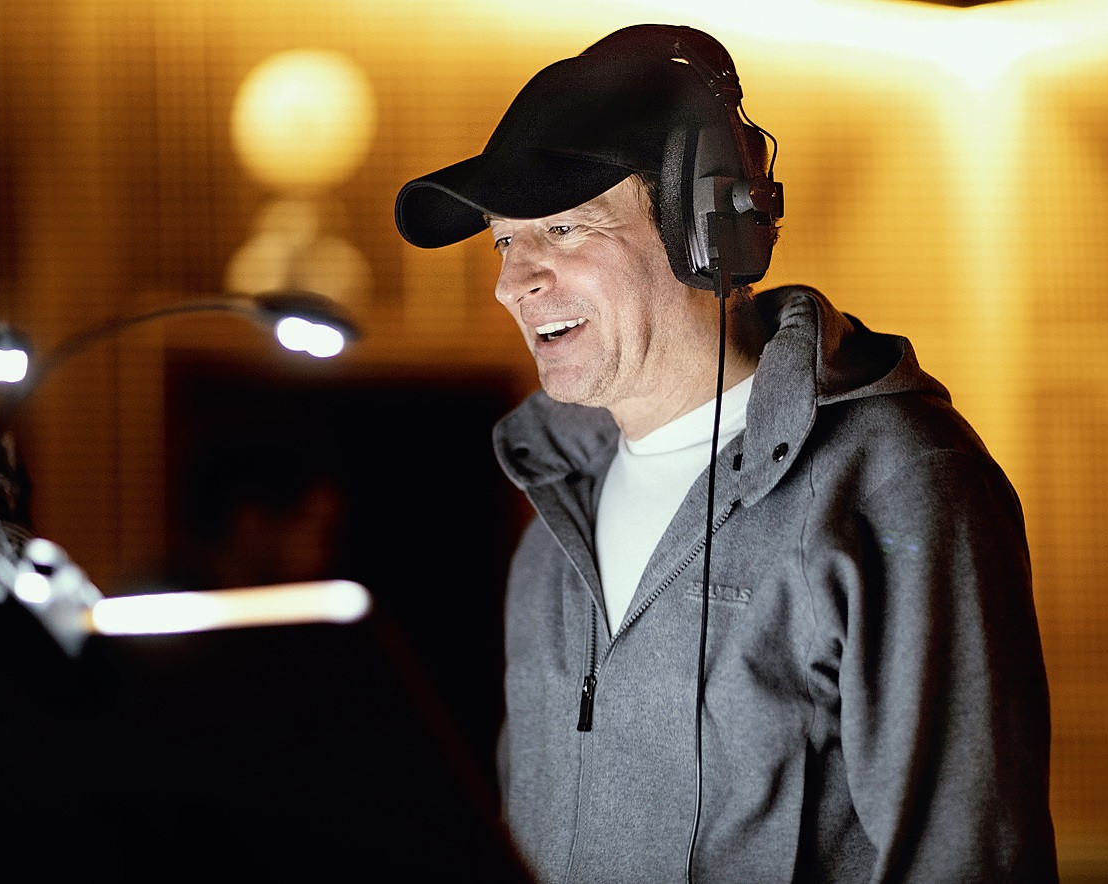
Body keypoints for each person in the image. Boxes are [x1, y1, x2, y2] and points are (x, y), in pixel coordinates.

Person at [394, 24, 1057, 883]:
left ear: (705, 229)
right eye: (504, 240)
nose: (512, 282)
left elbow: (968, 860)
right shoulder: (552, 499)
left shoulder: (900, 485)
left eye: (563, 227)